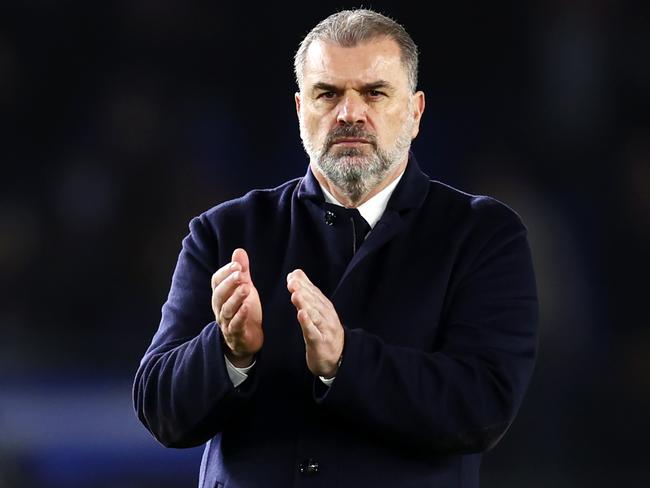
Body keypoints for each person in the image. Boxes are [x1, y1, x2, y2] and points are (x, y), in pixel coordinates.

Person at [133, 8, 538, 488]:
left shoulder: (482, 236)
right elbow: (159, 407)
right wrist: (227, 352)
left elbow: (483, 405)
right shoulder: (224, 232)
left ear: (414, 112)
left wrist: (347, 361)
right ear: (301, 110)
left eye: (374, 92)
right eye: (328, 94)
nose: (349, 113)